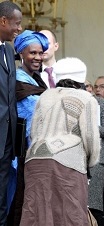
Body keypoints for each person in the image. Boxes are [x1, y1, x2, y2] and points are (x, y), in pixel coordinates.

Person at [19, 57, 101, 226]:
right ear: (81, 77)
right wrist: (90, 163)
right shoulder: (86, 98)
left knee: (37, 214)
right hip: (68, 164)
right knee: (70, 214)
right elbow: (91, 138)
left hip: (35, 160)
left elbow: (34, 132)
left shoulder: (44, 96)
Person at [7, 29, 49, 226]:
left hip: (39, 152)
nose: (38, 57)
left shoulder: (37, 79)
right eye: (32, 53)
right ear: (21, 54)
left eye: (40, 53)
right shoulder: (17, 80)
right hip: (22, 154)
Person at [0, 2, 22, 225]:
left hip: (6, 139)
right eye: (16, 24)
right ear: (3, 21)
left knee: (2, 196)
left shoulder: (8, 50)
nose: (19, 29)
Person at [88, 94, 104, 226]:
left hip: (97, 158)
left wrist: (85, 125)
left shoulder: (102, 103)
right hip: (76, 157)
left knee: (94, 205)